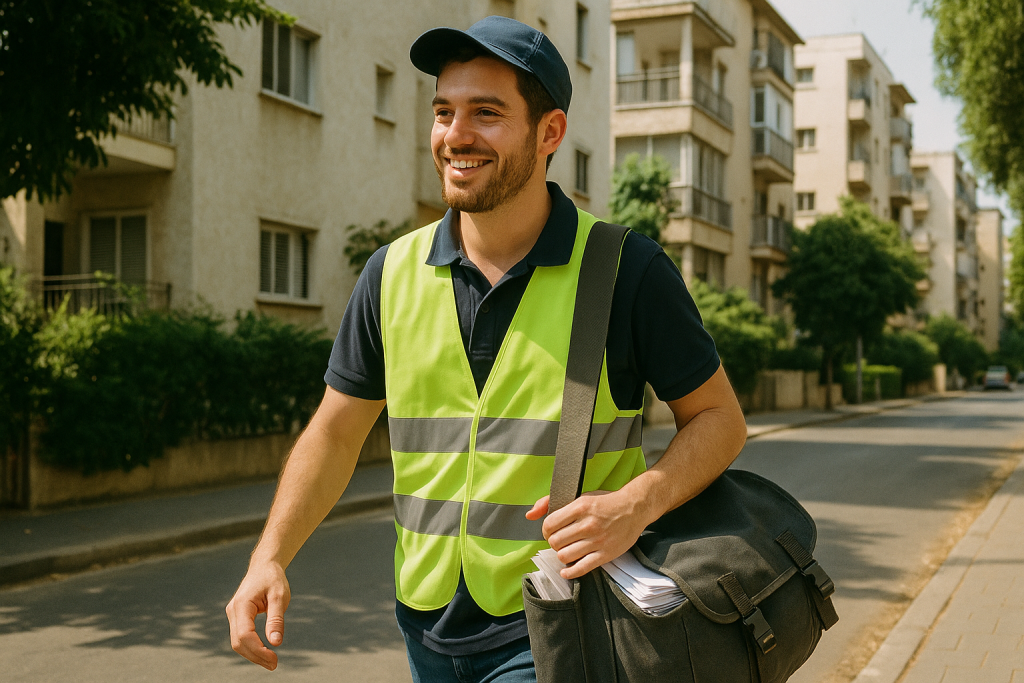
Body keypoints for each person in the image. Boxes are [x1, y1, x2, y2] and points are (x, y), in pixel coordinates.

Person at [226, 15, 747, 682]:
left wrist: (637, 501)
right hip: (424, 625)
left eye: (486, 113)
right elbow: (334, 432)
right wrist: (269, 555)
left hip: (562, 621)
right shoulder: (391, 273)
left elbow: (720, 419)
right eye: (444, 111)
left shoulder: (628, 272)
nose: (455, 134)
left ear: (549, 132)